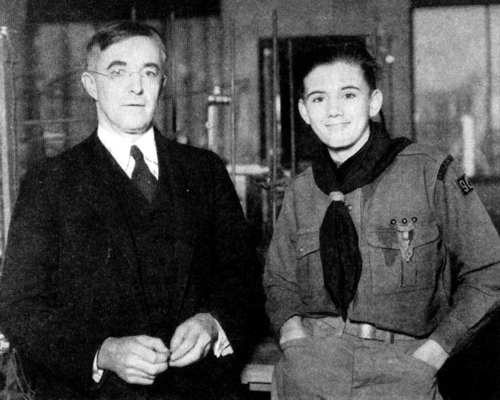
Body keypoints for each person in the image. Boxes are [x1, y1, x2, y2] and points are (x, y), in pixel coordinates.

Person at [0, 21, 262, 400]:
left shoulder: (204, 171)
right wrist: (102, 352)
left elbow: (245, 279)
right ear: (90, 85)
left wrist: (213, 323)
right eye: (117, 71)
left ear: (163, 83)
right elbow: (19, 305)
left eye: (149, 72)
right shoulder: (50, 182)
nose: (136, 87)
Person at [263, 42, 500, 400]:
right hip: (311, 371)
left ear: (374, 102)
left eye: (348, 95)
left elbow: (490, 270)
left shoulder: (430, 172)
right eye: (318, 99)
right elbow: (278, 281)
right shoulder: (301, 191)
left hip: (402, 372)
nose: (333, 111)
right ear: (303, 111)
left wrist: (434, 353)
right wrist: (293, 338)